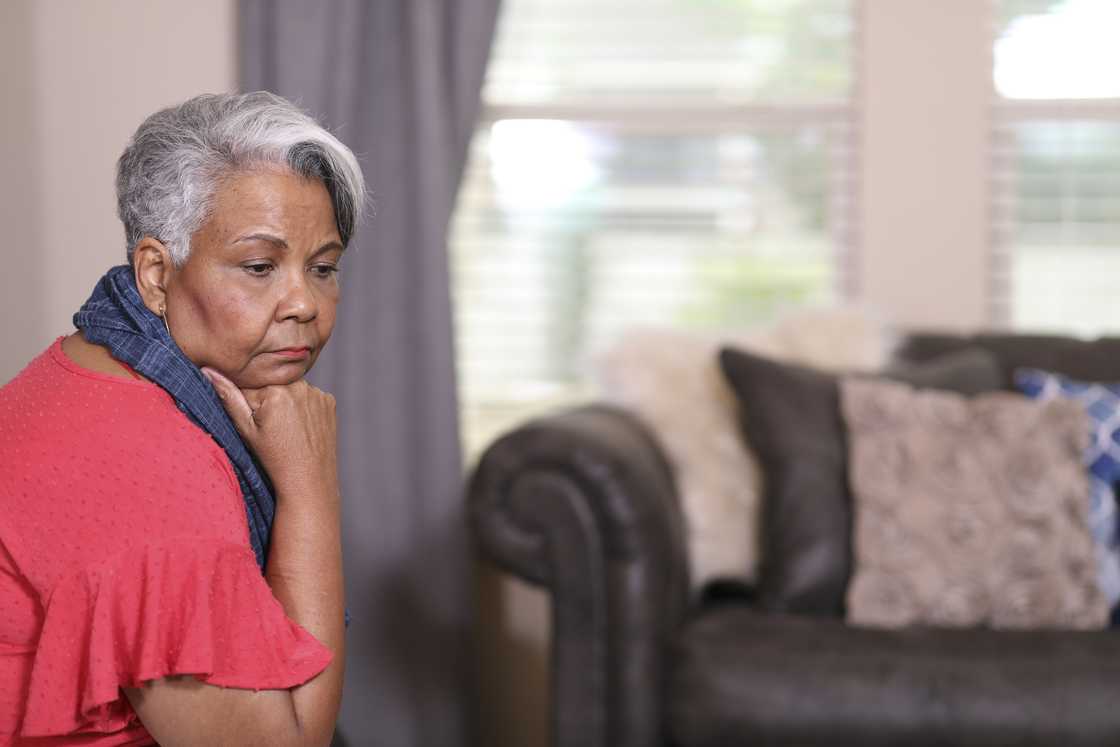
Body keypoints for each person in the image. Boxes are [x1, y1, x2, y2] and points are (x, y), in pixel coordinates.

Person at [0, 92, 364, 746]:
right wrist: (311, 491)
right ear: (156, 273)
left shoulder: (90, 366)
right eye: (259, 266)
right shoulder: (148, 479)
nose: (305, 303)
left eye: (324, 268)